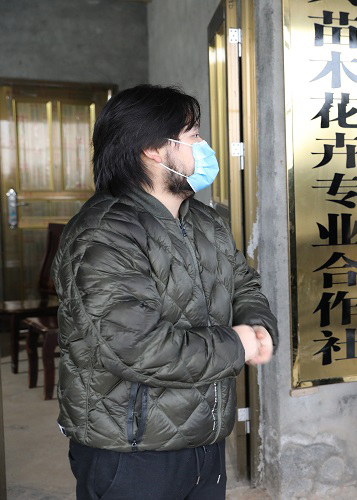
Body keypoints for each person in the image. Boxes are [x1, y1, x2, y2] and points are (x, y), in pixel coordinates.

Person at [53, 84, 278, 500]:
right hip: (132, 451)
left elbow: (244, 285)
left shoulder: (205, 221)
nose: (204, 148)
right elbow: (135, 348)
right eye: (194, 136)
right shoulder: (105, 235)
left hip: (205, 438)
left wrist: (258, 326)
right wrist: (236, 344)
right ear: (154, 150)